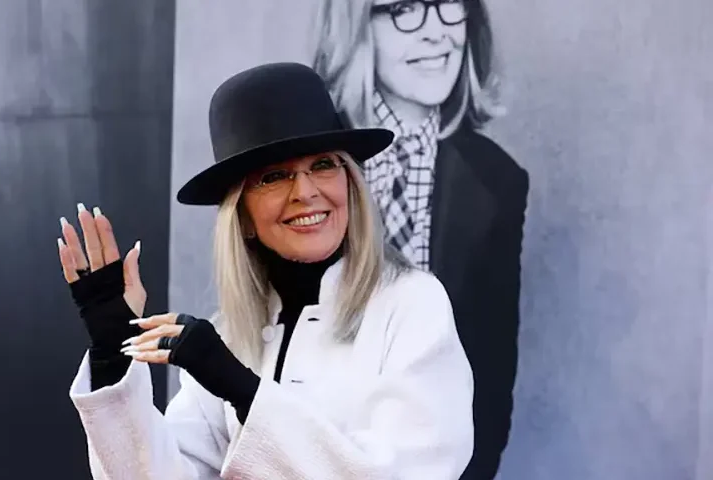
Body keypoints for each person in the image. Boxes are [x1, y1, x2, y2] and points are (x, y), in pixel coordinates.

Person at [58, 62, 474, 479]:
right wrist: (114, 353)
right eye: (275, 176)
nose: (306, 192)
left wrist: (242, 389)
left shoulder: (412, 304)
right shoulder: (230, 334)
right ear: (241, 216)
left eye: (324, 165)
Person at [311, 1, 530, 477]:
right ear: (355, 27)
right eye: (404, 8)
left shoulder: (499, 180)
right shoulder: (302, 158)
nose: (436, 33)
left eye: (448, 4)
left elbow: (490, 375)